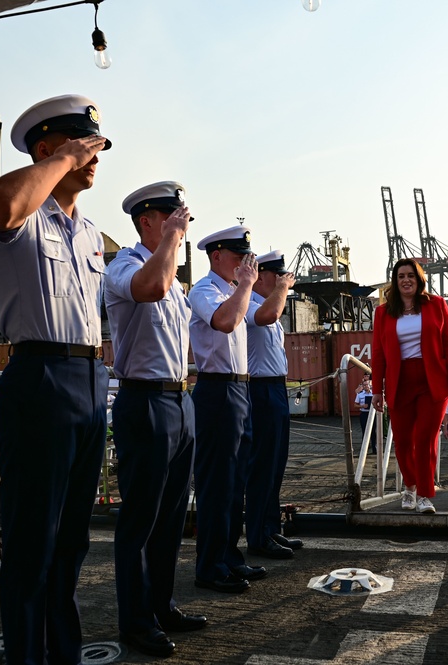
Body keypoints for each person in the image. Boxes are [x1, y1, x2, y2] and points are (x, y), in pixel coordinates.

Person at [0, 94, 111, 664]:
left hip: (87, 379)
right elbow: (2, 204)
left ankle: (64, 653)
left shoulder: (87, 233)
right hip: (40, 377)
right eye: (83, 145)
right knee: (33, 544)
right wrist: (62, 160)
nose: (94, 156)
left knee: (72, 542)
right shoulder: (24, 219)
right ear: (45, 148)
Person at [104, 181, 206, 658]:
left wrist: (170, 245)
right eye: (172, 219)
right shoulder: (125, 266)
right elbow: (153, 286)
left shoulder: (170, 272)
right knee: (140, 520)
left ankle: (162, 605)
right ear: (148, 220)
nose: (181, 229)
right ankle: (136, 621)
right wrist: (170, 242)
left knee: (170, 518)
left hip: (178, 399)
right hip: (144, 402)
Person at [189, 224, 262, 593]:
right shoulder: (204, 291)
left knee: (235, 483)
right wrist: (247, 284)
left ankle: (230, 556)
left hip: (240, 389)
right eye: (238, 257)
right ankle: (209, 566)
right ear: (216, 255)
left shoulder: (234, 291)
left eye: (247, 259)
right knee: (216, 484)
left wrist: (245, 286)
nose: (244, 265)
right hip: (217, 391)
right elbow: (226, 321)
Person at [371, 258, 448, 515]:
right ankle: (410, 487)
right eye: (401, 276)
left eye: (411, 275)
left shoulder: (437, 305)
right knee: (402, 441)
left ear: (419, 278)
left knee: (425, 439)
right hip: (399, 381)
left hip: (432, 380)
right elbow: (378, 354)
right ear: (395, 281)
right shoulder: (383, 313)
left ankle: (425, 494)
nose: (406, 280)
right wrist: (376, 390)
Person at [234, 249, 303, 564]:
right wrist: (283, 290)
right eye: (278, 276)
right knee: (262, 467)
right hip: (259, 390)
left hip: (275, 388)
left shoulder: (269, 302)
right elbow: (270, 316)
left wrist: (280, 291)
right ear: (262, 277)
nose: (283, 282)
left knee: (276, 464)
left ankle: (271, 528)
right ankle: (258, 537)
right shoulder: (250, 304)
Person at [354, 374, 375, 454]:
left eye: (367, 385)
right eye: (365, 385)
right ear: (362, 386)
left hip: (372, 414)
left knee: (373, 432)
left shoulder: (374, 394)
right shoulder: (360, 395)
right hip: (364, 414)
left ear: (370, 385)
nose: (366, 386)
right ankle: (364, 449)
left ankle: (374, 449)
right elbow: (355, 405)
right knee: (364, 431)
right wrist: (362, 405)